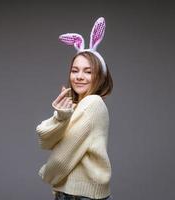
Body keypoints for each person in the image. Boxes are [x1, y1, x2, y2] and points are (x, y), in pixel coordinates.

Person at [36, 17, 113, 200]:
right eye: (74, 70)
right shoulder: (76, 106)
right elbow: (44, 138)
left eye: (88, 71)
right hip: (75, 194)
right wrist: (61, 117)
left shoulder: (92, 103)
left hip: (80, 196)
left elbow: (63, 155)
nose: (79, 77)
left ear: (100, 76)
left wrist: (47, 175)